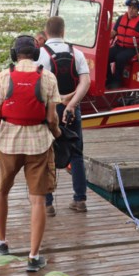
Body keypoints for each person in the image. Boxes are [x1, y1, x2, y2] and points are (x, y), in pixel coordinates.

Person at [0, 35, 61, 271]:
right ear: (35, 54)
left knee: (0, 191)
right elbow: (51, 118)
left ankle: (2, 241)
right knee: (38, 200)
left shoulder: (3, 77)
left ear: (14, 54)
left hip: (8, 144)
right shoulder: (47, 77)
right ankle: (34, 257)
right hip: (39, 145)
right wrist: (57, 134)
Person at [36, 16, 91, 215]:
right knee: (76, 154)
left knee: (45, 154)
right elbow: (85, 83)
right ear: (64, 31)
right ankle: (80, 200)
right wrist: (71, 104)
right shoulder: (76, 53)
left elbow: (39, 87)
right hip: (71, 108)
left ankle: (48, 204)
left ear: (46, 32)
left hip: (49, 110)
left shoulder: (40, 55)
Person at [107, 0, 139, 88]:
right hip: (118, 46)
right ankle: (108, 79)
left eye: (134, 8)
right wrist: (104, 35)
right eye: (130, 7)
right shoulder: (121, 18)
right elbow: (114, 32)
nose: (131, 10)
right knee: (105, 56)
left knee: (120, 58)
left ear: (138, 10)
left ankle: (117, 82)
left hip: (132, 49)